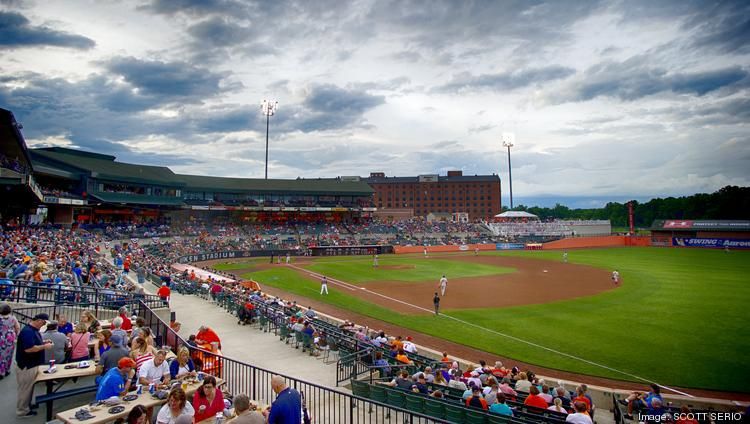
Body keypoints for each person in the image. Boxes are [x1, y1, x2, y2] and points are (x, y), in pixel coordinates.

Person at [15, 313, 53, 417]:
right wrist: (44, 347)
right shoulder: (28, 332)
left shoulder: (32, 330)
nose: (44, 325)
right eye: (44, 323)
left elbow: (34, 343)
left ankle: (26, 405)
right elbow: (29, 349)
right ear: (39, 321)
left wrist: (43, 342)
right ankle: (22, 410)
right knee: (25, 389)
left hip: (31, 364)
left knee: (29, 387)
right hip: (27, 365)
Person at [0, 302, 21, 378]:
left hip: (1, 337)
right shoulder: (13, 318)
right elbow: (17, 328)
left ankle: (1, 372)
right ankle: (7, 370)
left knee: (1, 356)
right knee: (8, 355)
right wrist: (17, 336)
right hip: (10, 337)